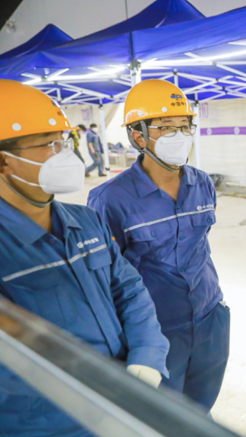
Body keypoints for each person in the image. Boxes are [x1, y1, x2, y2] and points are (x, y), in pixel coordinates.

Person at [0, 80, 169, 436]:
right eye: (48, 144)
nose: (64, 155)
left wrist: (147, 355)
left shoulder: (86, 220)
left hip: (121, 396)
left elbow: (129, 290)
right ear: (4, 161)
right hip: (50, 423)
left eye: (63, 141)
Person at [87, 79, 230, 414]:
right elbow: (106, 277)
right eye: (166, 127)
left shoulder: (202, 183)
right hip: (156, 328)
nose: (180, 136)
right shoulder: (110, 199)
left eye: (184, 126)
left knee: (199, 412)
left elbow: (200, 247)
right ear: (138, 136)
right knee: (158, 417)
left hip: (209, 317)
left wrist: (216, 314)